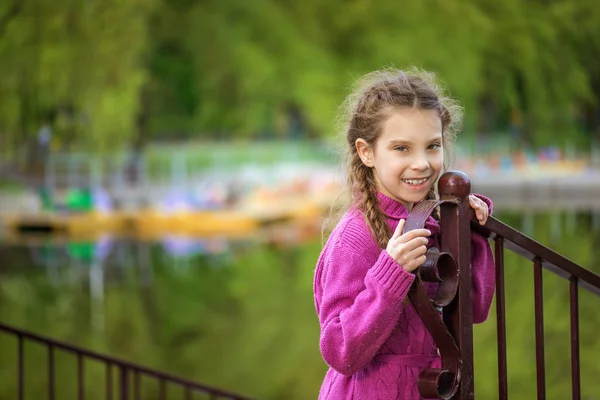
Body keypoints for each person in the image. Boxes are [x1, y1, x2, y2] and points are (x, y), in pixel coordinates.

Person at [313, 68, 495, 399]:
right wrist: (390, 274)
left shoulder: (433, 222)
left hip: (426, 387)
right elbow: (340, 352)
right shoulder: (354, 237)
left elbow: (476, 308)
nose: (422, 163)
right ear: (367, 152)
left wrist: (468, 229)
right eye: (401, 149)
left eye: (432, 146)